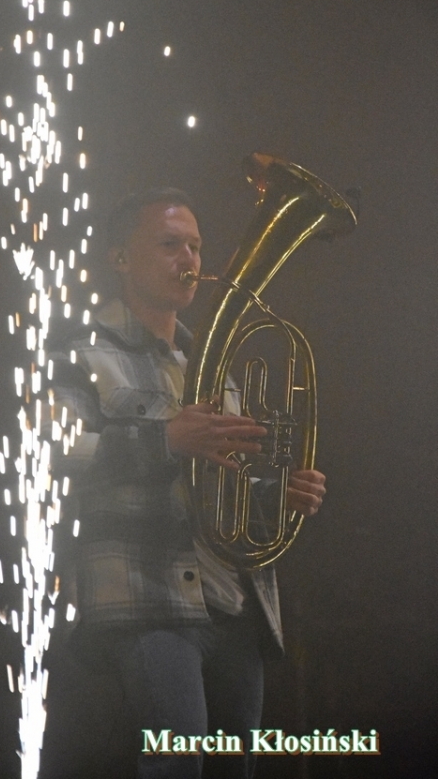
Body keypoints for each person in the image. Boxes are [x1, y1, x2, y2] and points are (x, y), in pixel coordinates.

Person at [43, 188, 326, 778]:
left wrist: (277, 494)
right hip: (149, 600)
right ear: (121, 258)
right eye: (170, 244)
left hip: (233, 605)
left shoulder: (212, 366)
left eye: (195, 246)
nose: (190, 260)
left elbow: (223, 484)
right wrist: (167, 440)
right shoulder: (78, 351)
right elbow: (57, 453)